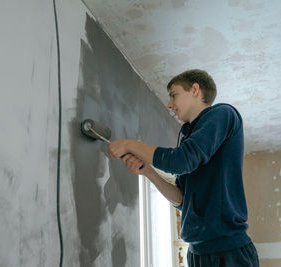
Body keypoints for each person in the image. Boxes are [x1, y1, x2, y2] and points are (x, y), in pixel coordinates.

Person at [108, 69, 259, 267]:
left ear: (195, 90)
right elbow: (181, 199)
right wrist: (148, 171)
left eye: (173, 95)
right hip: (197, 253)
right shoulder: (190, 139)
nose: (169, 104)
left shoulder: (223, 113)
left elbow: (181, 161)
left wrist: (129, 144)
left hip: (227, 252)